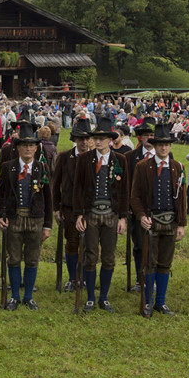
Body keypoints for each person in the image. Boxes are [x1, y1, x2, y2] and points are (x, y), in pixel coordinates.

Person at [72, 116, 129, 312]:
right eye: (95, 138)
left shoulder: (120, 160)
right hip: (91, 214)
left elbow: (124, 190)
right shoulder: (84, 159)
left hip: (111, 215)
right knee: (90, 256)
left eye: (102, 138)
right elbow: (78, 188)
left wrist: (122, 217)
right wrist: (79, 214)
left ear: (110, 140)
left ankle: (103, 297)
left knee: (109, 256)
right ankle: (89, 297)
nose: (97, 142)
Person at [130, 122, 187, 316]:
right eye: (160, 144)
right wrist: (141, 216)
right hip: (151, 221)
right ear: (154, 145)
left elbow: (183, 198)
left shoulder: (178, 167)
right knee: (149, 263)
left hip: (171, 222)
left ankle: (160, 302)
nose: (164, 147)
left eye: (167, 144)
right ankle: (148, 301)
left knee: (165, 263)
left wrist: (182, 224)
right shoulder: (143, 166)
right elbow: (135, 196)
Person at [0, 121, 53, 310]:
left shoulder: (42, 168)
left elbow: (48, 199)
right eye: (24, 145)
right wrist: (1, 216)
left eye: (31, 145)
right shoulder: (8, 167)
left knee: (32, 257)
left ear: (36, 148)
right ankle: (15, 296)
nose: (28, 148)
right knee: (13, 257)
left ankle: (28, 296)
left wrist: (47, 225)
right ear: (18, 147)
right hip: (14, 218)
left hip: (35, 220)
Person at [51, 117, 93, 291]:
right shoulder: (64, 157)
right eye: (80, 138)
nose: (83, 142)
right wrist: (56, 208)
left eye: (86, 138)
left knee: (90, 244)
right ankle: (72, 277)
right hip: (68, 207)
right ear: (74, 139)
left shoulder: (96, 159)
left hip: (91, 209)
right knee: (72, 243)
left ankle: (85, 276)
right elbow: (56, 183)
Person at [125, 117, 157, 291]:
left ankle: (154, 278)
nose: (149, 138)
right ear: (140, 138)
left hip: (157, 208)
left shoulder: (165, 156)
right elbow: (128, 184)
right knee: (138, 245)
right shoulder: (131, 157)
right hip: (137, 209)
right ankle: (140, 278)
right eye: (146, 135)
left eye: (152, 135)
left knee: (156, 245)